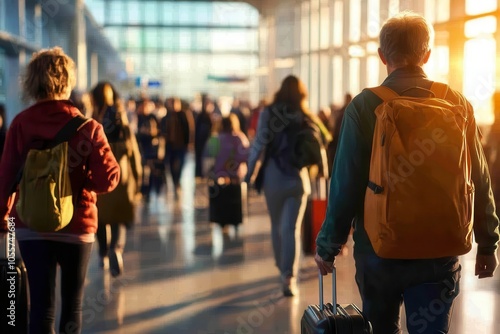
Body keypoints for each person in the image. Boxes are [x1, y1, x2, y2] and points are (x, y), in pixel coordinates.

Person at [314, 12, 499, 334]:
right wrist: (487, 243)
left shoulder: (365, 106)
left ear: (382, 56)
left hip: (379, 248)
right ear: (427, 54)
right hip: (440, 248)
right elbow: (478, 179)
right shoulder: (456, 103)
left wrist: (329, 244)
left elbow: (347, 181)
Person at [0, 47, 120, 333]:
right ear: (68, 81)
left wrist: (3, 218)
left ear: (33, 82)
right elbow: (109, 179)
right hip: (77, 226)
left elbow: (5, 177)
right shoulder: (88, 127)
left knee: (40, 306)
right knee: (72, 305)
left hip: (29, 225)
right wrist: (80, 185)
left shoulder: (20, 124)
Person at [245, 75, 328, 297]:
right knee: (291, 228)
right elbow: (321, 144)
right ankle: (288, 277)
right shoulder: (305, 114)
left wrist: (249, 173)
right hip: (298, 179)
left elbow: (258, 145)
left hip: (273, 177)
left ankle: (282, 267)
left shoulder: (268, 113)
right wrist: (323, 174)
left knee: (276, 225)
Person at [90, 81, 142, 277]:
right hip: (122, 176)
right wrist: (138, 177)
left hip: (99, 177)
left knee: (102, 218)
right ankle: (116, 249)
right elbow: (133, 151)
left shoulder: (92, 121)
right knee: (119, 218)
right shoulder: (121, 119)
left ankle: (103, 253)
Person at [161, 97, 195, 200]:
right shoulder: (166, 117)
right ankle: (175, 182)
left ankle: (177, 181)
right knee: (171, 165)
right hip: (170, 146)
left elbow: (189, 129)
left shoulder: (183, 115)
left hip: (181, 145)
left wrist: (189, 142)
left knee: (180, 164)